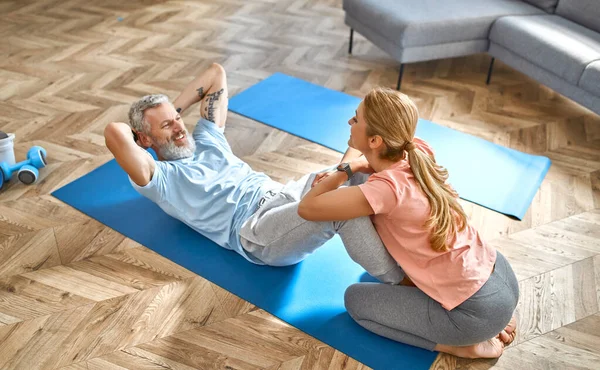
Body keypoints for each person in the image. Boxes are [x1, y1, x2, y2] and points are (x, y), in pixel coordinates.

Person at [103, 63, 403, 284]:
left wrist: (170, 114)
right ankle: (404, 282)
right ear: (144, 139)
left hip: (287, 193)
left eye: (178, 119)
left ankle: (417, 248)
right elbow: (114, 132)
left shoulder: (206, 139)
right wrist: (144, 130)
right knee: (340, 207)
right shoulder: (161, 179)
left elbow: (215, 73)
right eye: (167, 126)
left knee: (367, 165)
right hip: (257, 230)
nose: (180, 127)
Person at [297, 87, 519, 359]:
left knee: (355, 301)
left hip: (474, 313)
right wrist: (358, 163)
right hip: (501, 277)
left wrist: (350, 168)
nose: (349, 122)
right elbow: (365, 159)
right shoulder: (417, 149)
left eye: (356, 119)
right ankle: (494, 320)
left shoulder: (385, 190)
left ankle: (464, 346)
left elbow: (307, 207)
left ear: (377, 140)